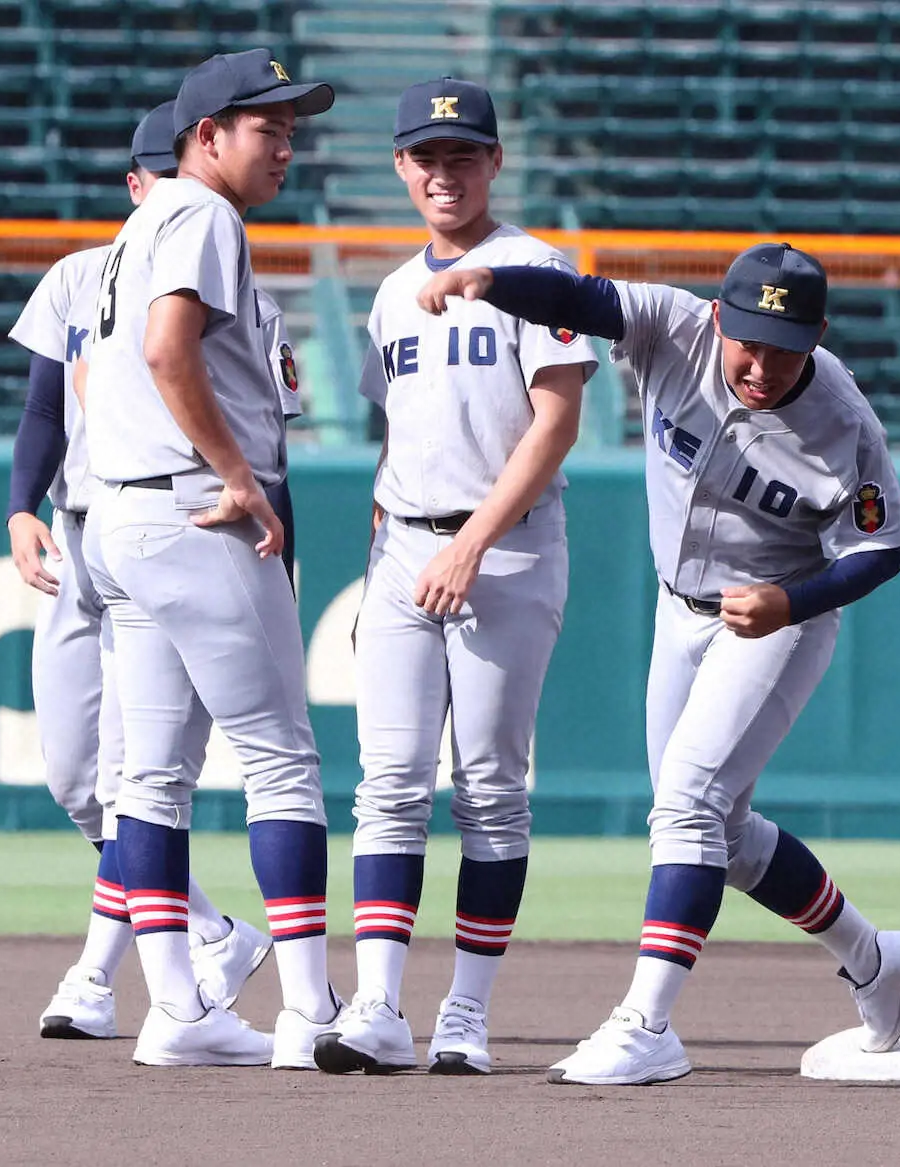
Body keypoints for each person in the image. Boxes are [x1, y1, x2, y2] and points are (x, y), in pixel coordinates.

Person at [416, 242, 900, 1085]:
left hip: (776, 622)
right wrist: (490, 281)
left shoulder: (844, 422)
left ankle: (647, 1023)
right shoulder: (676, 327)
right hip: (679, 608)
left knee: (688, 804)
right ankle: (877, 958)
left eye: (785, 344)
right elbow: (582, 297)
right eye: (749, 339)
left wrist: (791, 602)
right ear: (720, 317)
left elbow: (883, 549)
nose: (761, 363)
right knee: (716, 831)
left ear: (818, 335)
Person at [312, 78, 597, 1077]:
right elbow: (397, 438)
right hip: (403, 554)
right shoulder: (392, 291)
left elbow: (556, 424)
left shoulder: (535, 268)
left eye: (463, 155)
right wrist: (382, 560)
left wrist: (471, 541)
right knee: (387, 784)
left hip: (508, 550)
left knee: (488, 789)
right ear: (400, 167)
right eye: (426, 157)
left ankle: (466, 1015)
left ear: (495, 163)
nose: (445, 172)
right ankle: (380, 1010)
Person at [7, 100, 290, 1041]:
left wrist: (269, 523)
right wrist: (19, 504)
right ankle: (230, 952)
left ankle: (114, 981)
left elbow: (271, 428)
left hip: (153, 518)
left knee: (143, 771)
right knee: (87, 775)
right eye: (138, 175)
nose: (146, 188)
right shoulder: (102, 267)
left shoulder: (214, 268)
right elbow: (49, 406)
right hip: (110, 524)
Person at [79, 49, 339, 1069]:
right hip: (193, 515)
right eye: (265, 127)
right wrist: (233, 472)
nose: (285, 145)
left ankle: (180, 1010)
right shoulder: (201, 214)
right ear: (205, 138)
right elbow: (165, 350)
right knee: (282, 761)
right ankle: (312, 1014)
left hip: (125, 519)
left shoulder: (137, 227)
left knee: (151, 780)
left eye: (290, 128)